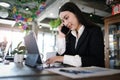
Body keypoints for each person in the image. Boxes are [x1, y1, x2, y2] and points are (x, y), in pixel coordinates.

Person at [46, 2, 105, 67]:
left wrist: (61, 58)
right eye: (63, 21)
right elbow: (61, 56)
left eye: (66, 18)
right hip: (76, 75)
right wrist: (61, 36)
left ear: (76, 13)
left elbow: (96, 60)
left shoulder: (94, 31)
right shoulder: (71, 36)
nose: (65, 23)